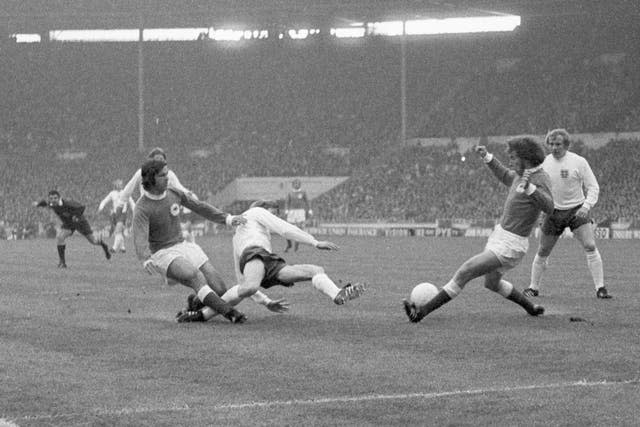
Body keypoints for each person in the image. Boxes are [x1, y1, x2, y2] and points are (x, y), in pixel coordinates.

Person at [403, 136, 554, 322]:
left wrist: (531, 189)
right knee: (491, 283)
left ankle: (421, 312)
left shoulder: (540, 178)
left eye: (514, 157)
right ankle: (531, 308)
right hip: (500, 237)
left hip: (511, 244)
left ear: (527, 158)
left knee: (465, 271)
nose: (511, 161)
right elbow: (506, 176)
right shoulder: (522, 175)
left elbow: (549, 207)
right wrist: (488, 158)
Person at [178, 199, 365, 322]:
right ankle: (202, 314)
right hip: (255, 254)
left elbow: (240, 281)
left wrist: (266, 302)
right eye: (274, 213)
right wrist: (314, 242)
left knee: (315, 270)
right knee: (249, 287)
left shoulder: (239, 236)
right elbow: (284, 229)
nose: (275, 216)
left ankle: (337, 294)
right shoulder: (256, 212)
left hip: (267, 261)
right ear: (264, 209)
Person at [132, 158, 248, 323]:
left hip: (184, 245)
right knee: (194, 276)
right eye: (163, 175)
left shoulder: (174, 193)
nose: (168, 178)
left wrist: (227, 218)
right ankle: (231, 314)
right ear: (151, 179)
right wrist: (145, 258)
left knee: (220, 289)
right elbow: (139, 236)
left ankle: (194, 305)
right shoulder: (142, 207)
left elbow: (199, 206)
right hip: (163, 253)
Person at [525, 129, 611, 299]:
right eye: (551, 144)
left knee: (590, 245)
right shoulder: (542, 164)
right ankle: (533, 288)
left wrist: (586, 206)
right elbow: (534, 186)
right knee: (543, 250)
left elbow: (593, 186)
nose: (554, 147)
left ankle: (600, 288)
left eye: (558, 144)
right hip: (552, 211)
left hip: (577, 210)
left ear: (566, 145)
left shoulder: (578, 162)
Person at [121, 147, 197, 243]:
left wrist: (190, 195)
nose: (159, 161)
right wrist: (121, 203)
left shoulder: (169, 175)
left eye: (161, 159)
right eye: (157, 159)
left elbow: (180, 188)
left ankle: (189, 243)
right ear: (151, 160)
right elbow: (128, 189)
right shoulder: (141, 173)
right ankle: (187, 240)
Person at [34, 190, 111, 268]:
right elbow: (45, 203)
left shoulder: (67, 203)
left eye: (55, 198)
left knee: (93, 241)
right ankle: (62, 263)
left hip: (80, 222)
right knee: (60, 237)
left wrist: (76, 216)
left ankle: (104, 245)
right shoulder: (52, 204)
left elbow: (81, 207)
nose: (53, 200)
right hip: (68, 224)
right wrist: (38, 204)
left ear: (59, 198)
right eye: (51, 198)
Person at [97, 179, 135, 253]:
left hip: (122, 214)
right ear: (115, 185)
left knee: (118, 231)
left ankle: (114, 248)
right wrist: (100, 207)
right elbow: (105, 200)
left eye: (121, 184)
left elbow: (131, 202)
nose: (120, 185)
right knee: (119, 232)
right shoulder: (112, 193)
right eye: (119, 184)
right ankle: (122, 247)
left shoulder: (126, 192)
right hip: (115, 214)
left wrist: (135, 211)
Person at [284, 179, 311, 252]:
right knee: (287, 229)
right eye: (295, 183)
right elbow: (287, 202)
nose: (296, 185)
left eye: (298, 183)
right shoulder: (290, 193)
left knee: (299, 230)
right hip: (291, 211)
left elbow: (307, 201)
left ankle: (296, 247)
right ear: (292, 185)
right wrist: (286, 210)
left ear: (300, 184)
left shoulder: (303, 192)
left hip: (300, 212)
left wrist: (309, 209)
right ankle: (289, 244)